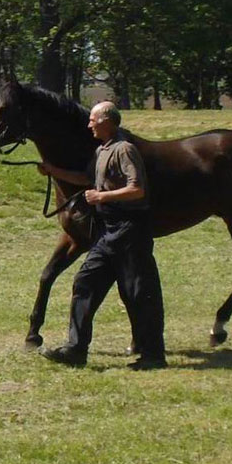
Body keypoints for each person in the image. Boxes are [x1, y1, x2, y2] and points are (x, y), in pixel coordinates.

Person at [37, 101, 167, 370]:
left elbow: (137, 189)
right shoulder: (102, 151)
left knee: (139, 291)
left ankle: (154, 356)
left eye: (93, 120)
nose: (89, 124)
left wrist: (102, 197)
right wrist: (53, 170)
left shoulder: (125, 150)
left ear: (107, 121)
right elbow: (86, 179)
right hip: (108, 231)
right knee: (85, 282)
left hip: (131, 230)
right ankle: (75, 349)